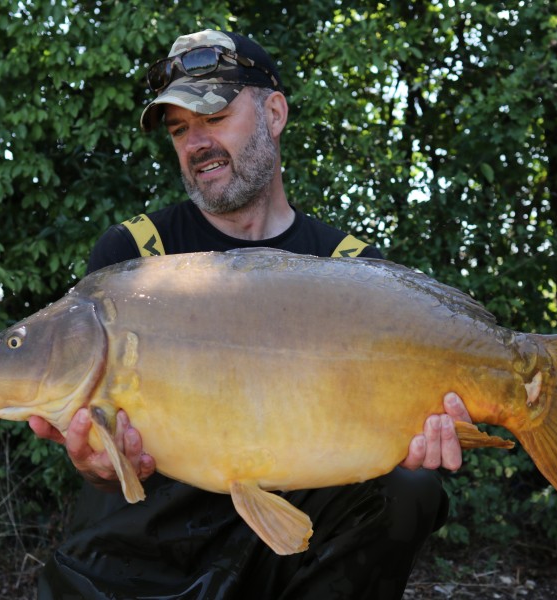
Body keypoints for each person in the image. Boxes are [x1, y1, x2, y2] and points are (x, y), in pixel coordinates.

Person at [31, 29, 472, 599]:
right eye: (179, 129)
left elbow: (409, 427)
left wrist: (422, 436)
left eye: (213, 117)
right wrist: (98, 462)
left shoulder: (353, 270)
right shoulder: (133, 258)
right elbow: (100, 456)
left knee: (411, 486)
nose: (196, 143)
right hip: (155, 553)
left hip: (298, 546)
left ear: (275, 112)